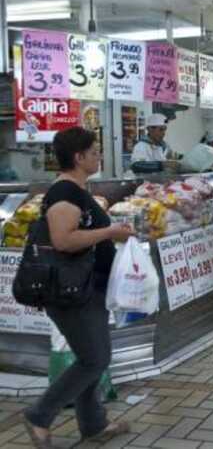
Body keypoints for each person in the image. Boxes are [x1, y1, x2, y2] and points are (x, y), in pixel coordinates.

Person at [23, 127, 135, 448]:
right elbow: (63, 240)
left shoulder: (78, 191)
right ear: (79, 156)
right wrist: (109, 232)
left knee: (93, 355)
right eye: (95, 150)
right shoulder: (64, 195)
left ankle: (94, 425)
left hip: (87, 288)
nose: (100, 154)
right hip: (72, 291)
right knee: (94, 359)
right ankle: (39, 415)